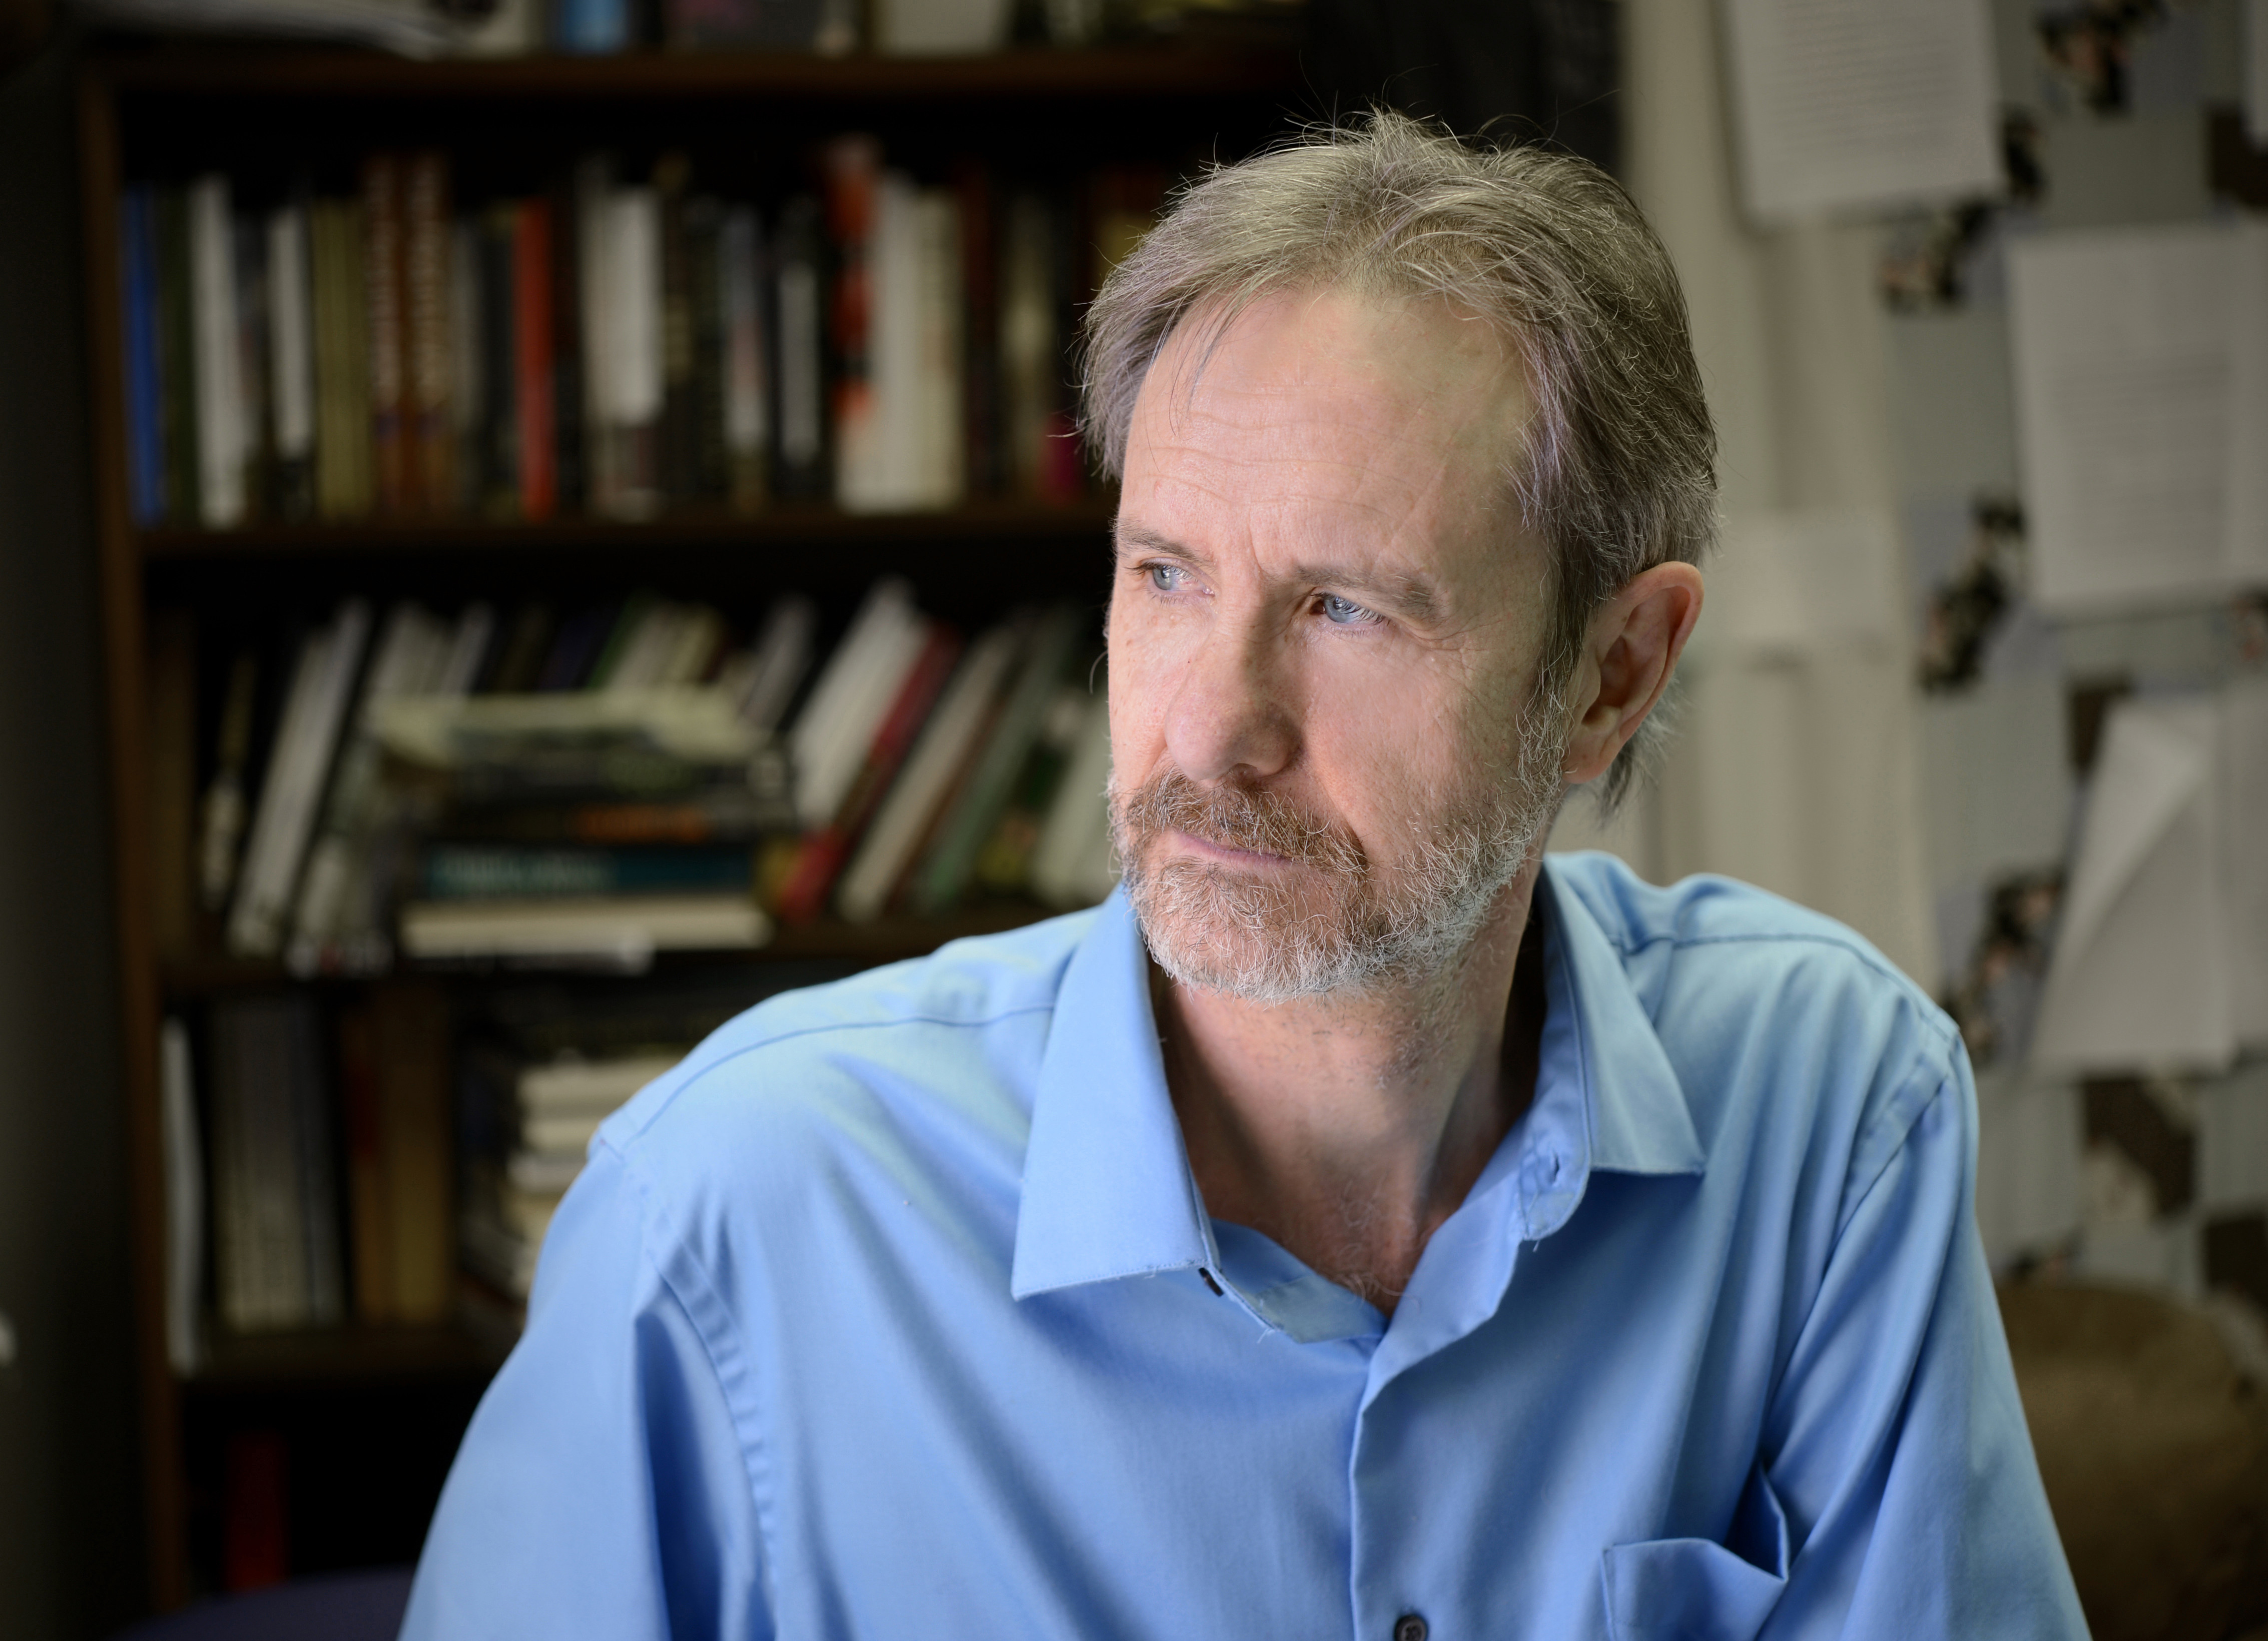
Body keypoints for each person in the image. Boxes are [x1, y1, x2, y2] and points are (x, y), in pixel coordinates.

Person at [401, 114, 2085, 1639]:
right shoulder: (728, 1220)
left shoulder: (1830, 1115)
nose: (1211, 729)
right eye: (1164, 573)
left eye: (1346, 607)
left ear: (1610, 676)